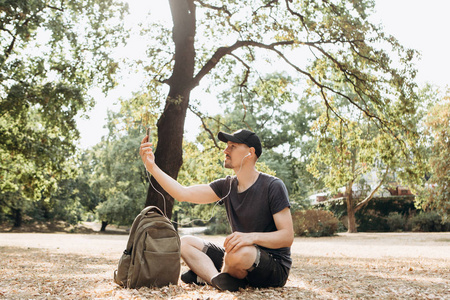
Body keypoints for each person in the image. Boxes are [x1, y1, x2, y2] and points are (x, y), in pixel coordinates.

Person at [139, 129, 294, 292]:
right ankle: (217, 279)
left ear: (250, 152)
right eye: (227, 146)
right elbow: (183, 193)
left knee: (240, 253)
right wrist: (152, 167)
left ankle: (205, 275)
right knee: (185, 242)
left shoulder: (273, 186)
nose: (225, 150)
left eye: (232, 146)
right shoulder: (226, 186)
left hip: (273, 266)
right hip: (235, 256)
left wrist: (250, 238)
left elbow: (287, 236)